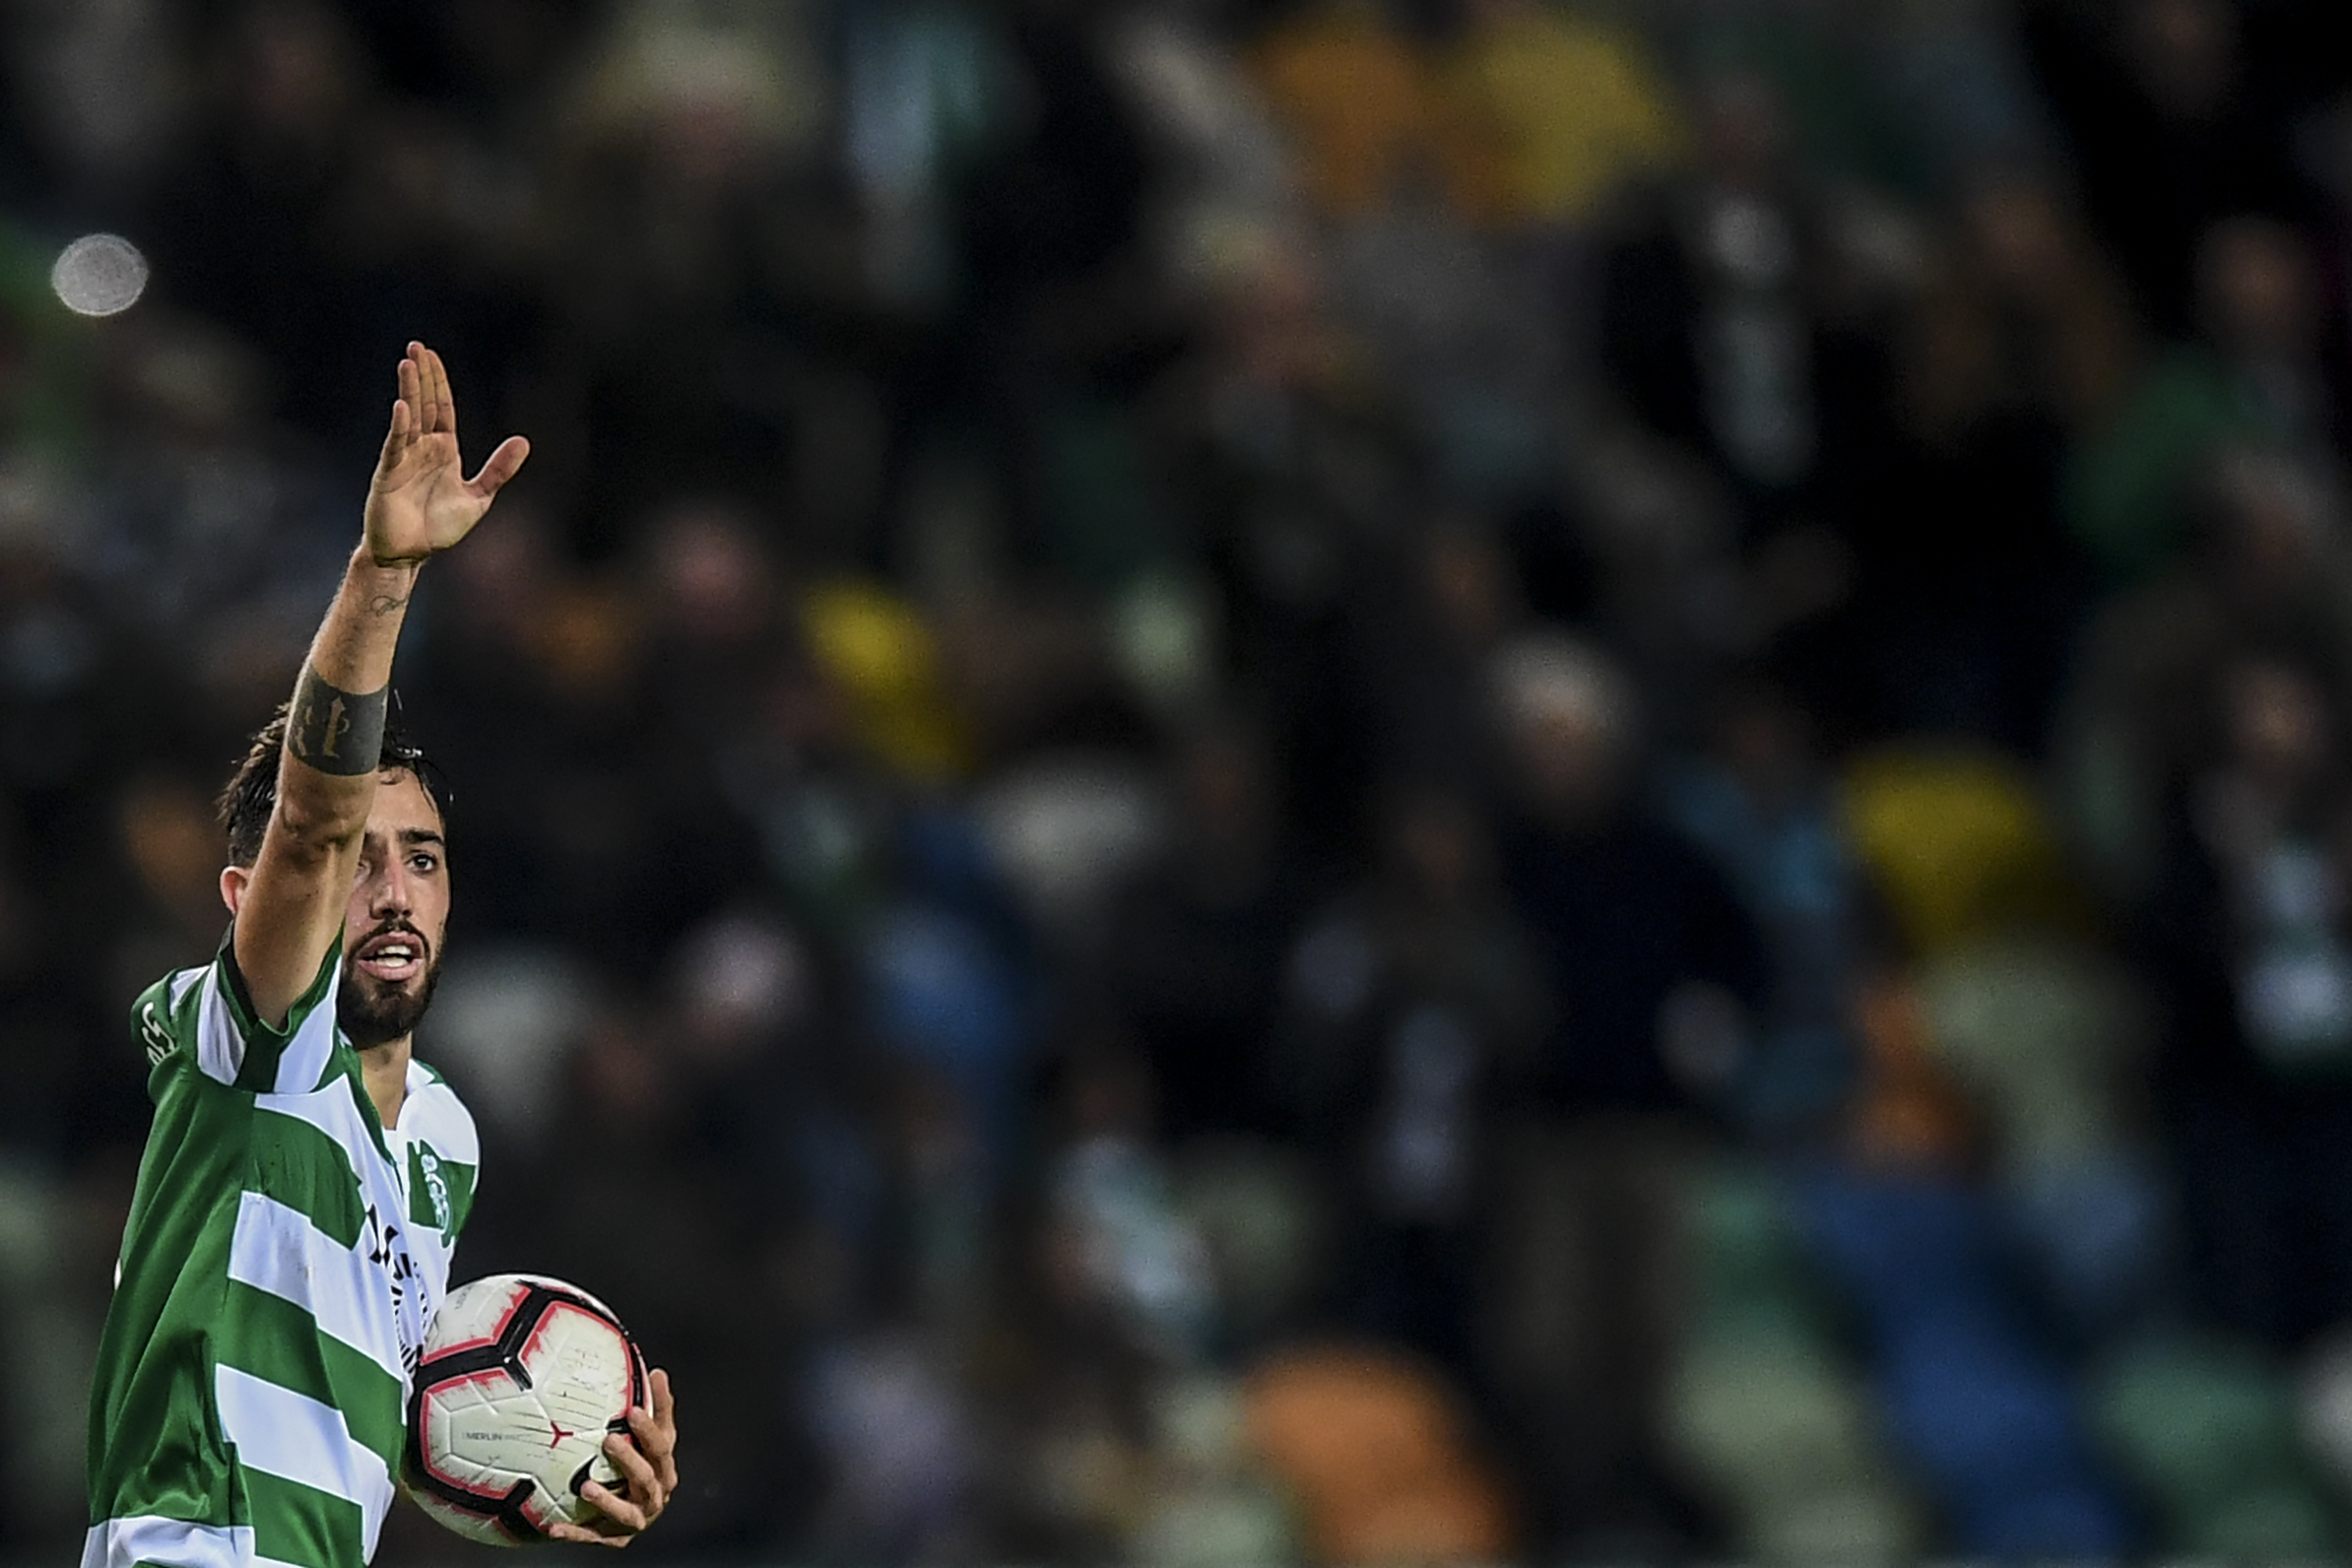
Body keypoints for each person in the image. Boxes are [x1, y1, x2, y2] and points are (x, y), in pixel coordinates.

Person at [82, 345, 680, 1568]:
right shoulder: (247, 1045)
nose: (392, 891)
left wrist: (578, 1468)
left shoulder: (446, 1140)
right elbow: (308, 821)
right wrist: (385, 575)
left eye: (422, 858)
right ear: (248, 900)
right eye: (361, 859)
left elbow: (400, 1432)